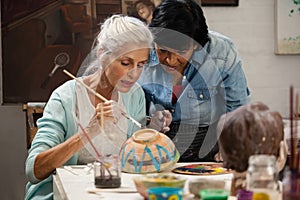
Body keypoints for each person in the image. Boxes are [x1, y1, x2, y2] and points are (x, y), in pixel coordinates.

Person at [25, 14, 171, 200]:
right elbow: (34, 170)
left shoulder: (134, 95)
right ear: (102, 53)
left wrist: (152, 131)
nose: (134, 74)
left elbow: (133, 159)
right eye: (125, 63)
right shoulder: (66, 97)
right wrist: (89, 132)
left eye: (140, 65)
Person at [138, 0, 251, 162]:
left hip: (208, 147)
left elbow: (238, 109)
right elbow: (130, 105)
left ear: (197, 45)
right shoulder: (141, 52)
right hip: (153, 148)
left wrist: (230, 146)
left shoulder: (221, 52)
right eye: (162, 50)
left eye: (181, 52)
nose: (170, 60)